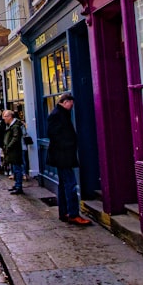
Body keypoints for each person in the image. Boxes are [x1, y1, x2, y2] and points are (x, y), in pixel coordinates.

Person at [47, 93, 92, 225]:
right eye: (70, 104)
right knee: (71, 185)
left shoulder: (60, 113)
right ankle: (73, 214)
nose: (71, 107)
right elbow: (52, 134)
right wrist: (68, 145)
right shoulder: (57, 115)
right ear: (65, 102)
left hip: (62, 155)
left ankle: (64, 212)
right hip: (63, 156)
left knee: (64, 185)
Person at [2, 110, 25, 194]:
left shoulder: (15, 126)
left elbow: (16, 138)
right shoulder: (11, 126)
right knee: (15, 168)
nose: (4, 119)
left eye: (5, 117)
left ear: (9, 117)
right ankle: (17, 184)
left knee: (17, 168)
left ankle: (19, 186)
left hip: (15, 151)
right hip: (12, 151)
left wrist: (9, 146)